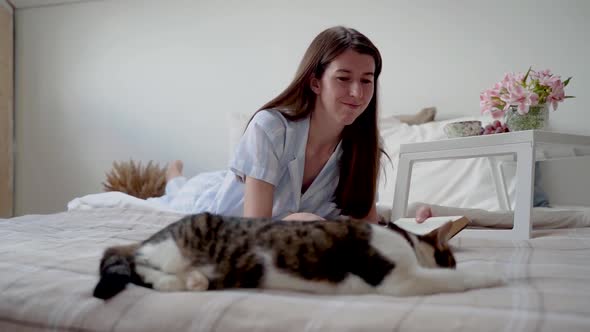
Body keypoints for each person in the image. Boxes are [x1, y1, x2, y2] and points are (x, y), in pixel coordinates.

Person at [159, 26, 432, 223]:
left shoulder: (365, 146)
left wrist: (411, 230)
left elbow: (366, 225)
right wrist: (297, 222)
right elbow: (256, 229)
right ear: (315, 82)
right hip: (211, 204)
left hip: (283, 215)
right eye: (343, 78)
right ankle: (174, 177)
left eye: (366, 80)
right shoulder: (270, 127)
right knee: (179, 194)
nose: (357, 93)